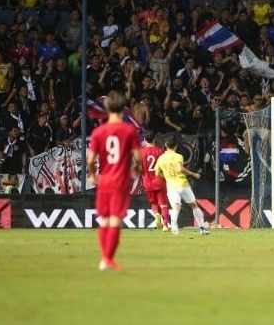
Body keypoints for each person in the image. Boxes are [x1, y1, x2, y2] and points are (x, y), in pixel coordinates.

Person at [86, 92, 142, 271]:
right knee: (116, 220)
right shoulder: (129, 130)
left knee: (104, 219)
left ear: (107, 108)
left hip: (104, 180)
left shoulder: (98, 132)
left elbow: (90, 160)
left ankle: (105, 258)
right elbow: (138, 156)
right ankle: (107, 259)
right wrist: (135, 169)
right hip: (121, 180)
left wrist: (93, 174)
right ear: (124, 109)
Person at [154, 134, 209, 236]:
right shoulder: (178, 156)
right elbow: (180, 169)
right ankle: (202, 228)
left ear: (166, 145)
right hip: (183, 185)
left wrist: (167, 177)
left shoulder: (161, 158)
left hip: (171, 186)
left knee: (176, 208)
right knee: (194, 205)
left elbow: (157, 173)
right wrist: (194, 174)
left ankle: (174, 226)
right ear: (175, 146)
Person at [140, 131, 170, 232]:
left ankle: (156, 214)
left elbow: (140, 169)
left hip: (147, 182)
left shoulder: (141, 152)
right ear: (154, 139)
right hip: (159, 181)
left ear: (145, 140)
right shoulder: (160, 151)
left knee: (154, 203)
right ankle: (165, 225)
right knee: (163, 204)